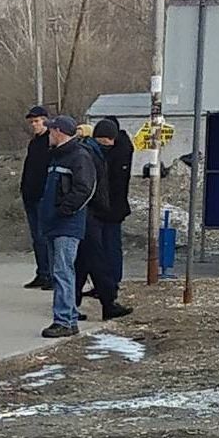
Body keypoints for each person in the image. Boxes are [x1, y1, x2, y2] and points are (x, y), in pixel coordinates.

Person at [39, 115, 97, 338]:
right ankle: (69, 316)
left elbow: (85, 188)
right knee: (61, 271)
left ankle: (63, 320)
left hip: (67, 224)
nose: (48, 134)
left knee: (63, 271)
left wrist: (64, 210)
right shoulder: (57, 156)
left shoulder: (78, 157)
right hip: (56, 223)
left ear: (59, 132)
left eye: (51, 130)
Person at [73, 127, 133, 321]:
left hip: (88, 214)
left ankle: (71, 303)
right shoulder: (91, 155)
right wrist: (100, 207)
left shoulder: (88, 152)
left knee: (82, 263)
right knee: (97, 261)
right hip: (91, 215)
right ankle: (108, 303)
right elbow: (91, 187)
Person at [95, 117, 134, 291]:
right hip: (108, 206)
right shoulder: (119, 149)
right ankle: (104, 282)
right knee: (103, 247)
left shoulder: (119, 153)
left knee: (110, 246)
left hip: (112, 208)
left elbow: (114, 182)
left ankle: (111, 282)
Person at [20, 106, 54, 290]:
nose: (34, 125)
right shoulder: (34, 143)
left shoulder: (51, 141)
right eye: (32, 122)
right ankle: (42, 272)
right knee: (36, 237)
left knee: (44, 237)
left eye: (37, 121)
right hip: (30, 195)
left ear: (45, 121)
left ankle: (49, 273)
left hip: (43, 196)